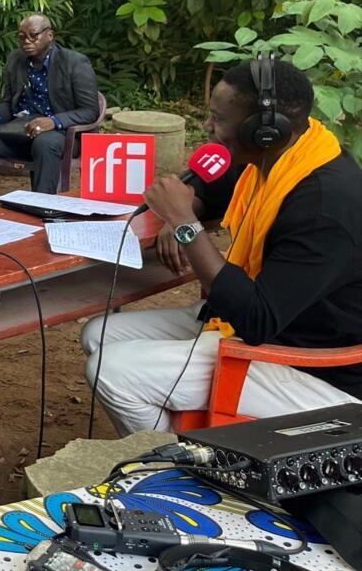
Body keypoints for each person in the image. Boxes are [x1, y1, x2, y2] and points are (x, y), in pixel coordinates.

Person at [81, 58, 362, 435]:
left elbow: (257, 318)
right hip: (256, 324)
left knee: (110, 370)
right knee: (98, 334)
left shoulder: (325, 208)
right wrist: (184, 209)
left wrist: (184, 225)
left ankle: (177, 469)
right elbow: (209, 190)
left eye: (219, 119)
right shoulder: (278, 156)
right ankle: (180, 444)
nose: (208, 127)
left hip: (314, 367)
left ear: (263, 130)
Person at [0, 14, 99, 203]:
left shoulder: (74, 63)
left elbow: (90, 110)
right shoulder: (16, 60)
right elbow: (9, 103)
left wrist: (53, 121)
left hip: (61, 135)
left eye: (33, 35)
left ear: (49, 35)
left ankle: (41, 208)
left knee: (45, 142)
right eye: (21, 37)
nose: (26, 41)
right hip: (21, 131)